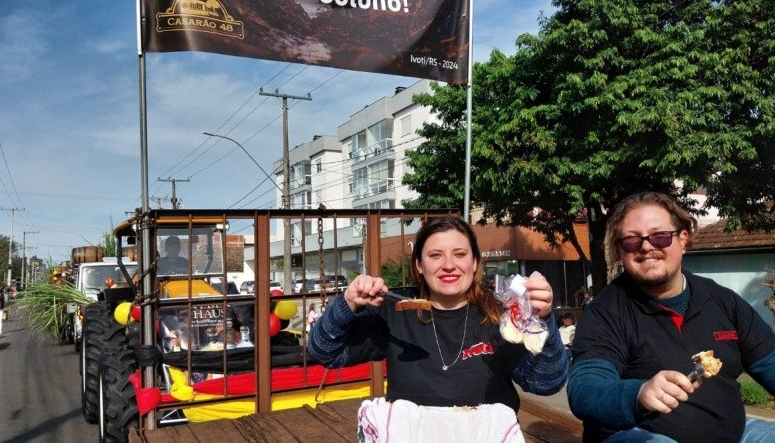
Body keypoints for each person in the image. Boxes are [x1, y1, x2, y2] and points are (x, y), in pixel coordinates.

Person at [568, 191, 775, 442]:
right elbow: (585, 388)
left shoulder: (723, 301)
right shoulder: (605, 311)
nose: (646, 246)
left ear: (683, 240)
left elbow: (769, 362)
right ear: (620, 251)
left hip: (735, 434)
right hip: (637, 435)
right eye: (632, 241)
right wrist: (639, 393)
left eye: (660, 236)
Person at [308, 215, 568, 412]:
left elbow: (545, 383)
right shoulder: (394, 312)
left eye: (459, 254)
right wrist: (347, 303)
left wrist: (541, 319)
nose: (448, 265)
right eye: (435, 256)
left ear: (474, 262)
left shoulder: (500, 314)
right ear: (420, 265)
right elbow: (324, 352)